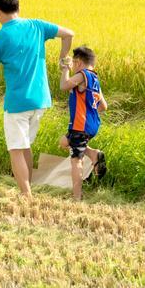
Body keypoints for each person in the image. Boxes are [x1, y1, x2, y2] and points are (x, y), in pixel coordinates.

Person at [0, 0, 74, 198]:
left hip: (17, 102)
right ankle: (29, 187)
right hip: (40, 99)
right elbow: (69, 34)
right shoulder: (37, 25)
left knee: (16, 149)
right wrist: (63, 58)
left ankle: (26, 194)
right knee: (25, 146)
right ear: (18, 7)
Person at [58, 46, 108, 201]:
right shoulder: (95, 79)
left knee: (76, 161)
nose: (73, 65)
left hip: (80, 126)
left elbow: (64, 86)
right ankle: (93, 154)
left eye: (73, 62)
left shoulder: (82, 75)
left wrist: (65, 69)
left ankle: (77, 199)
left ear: (78, 62)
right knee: (64, 142)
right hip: (91, 125)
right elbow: (103, 106)